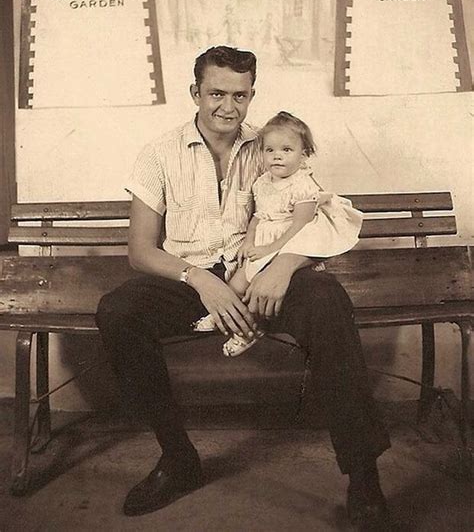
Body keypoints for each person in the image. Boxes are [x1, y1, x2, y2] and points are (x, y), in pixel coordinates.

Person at [95, 45, 390, 525]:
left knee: (327, 299)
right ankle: (178, 457)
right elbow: (141, 251)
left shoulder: (271, 144)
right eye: (216, 93)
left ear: (252, 95)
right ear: (195, 92)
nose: (228, 107)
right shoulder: (158, 154)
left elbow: (318, 210)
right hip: (191, 281)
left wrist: (282, 266)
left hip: (259, 274)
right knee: (118, 311)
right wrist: (199, 280)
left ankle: (363, 477)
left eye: (240, 95)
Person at [193, 110, 364, 359]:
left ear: (303, 155)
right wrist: (250, 243)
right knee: (236, 284)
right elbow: (258, 217)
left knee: (256, 291)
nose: (277, 157)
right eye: (270, 150)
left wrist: (270, 250)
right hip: (264, 245)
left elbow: (300, 226)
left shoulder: (303, 185)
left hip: (289, 247)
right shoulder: (262, 183)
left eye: (286, 150)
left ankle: (248, 331)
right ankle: (224, 318)